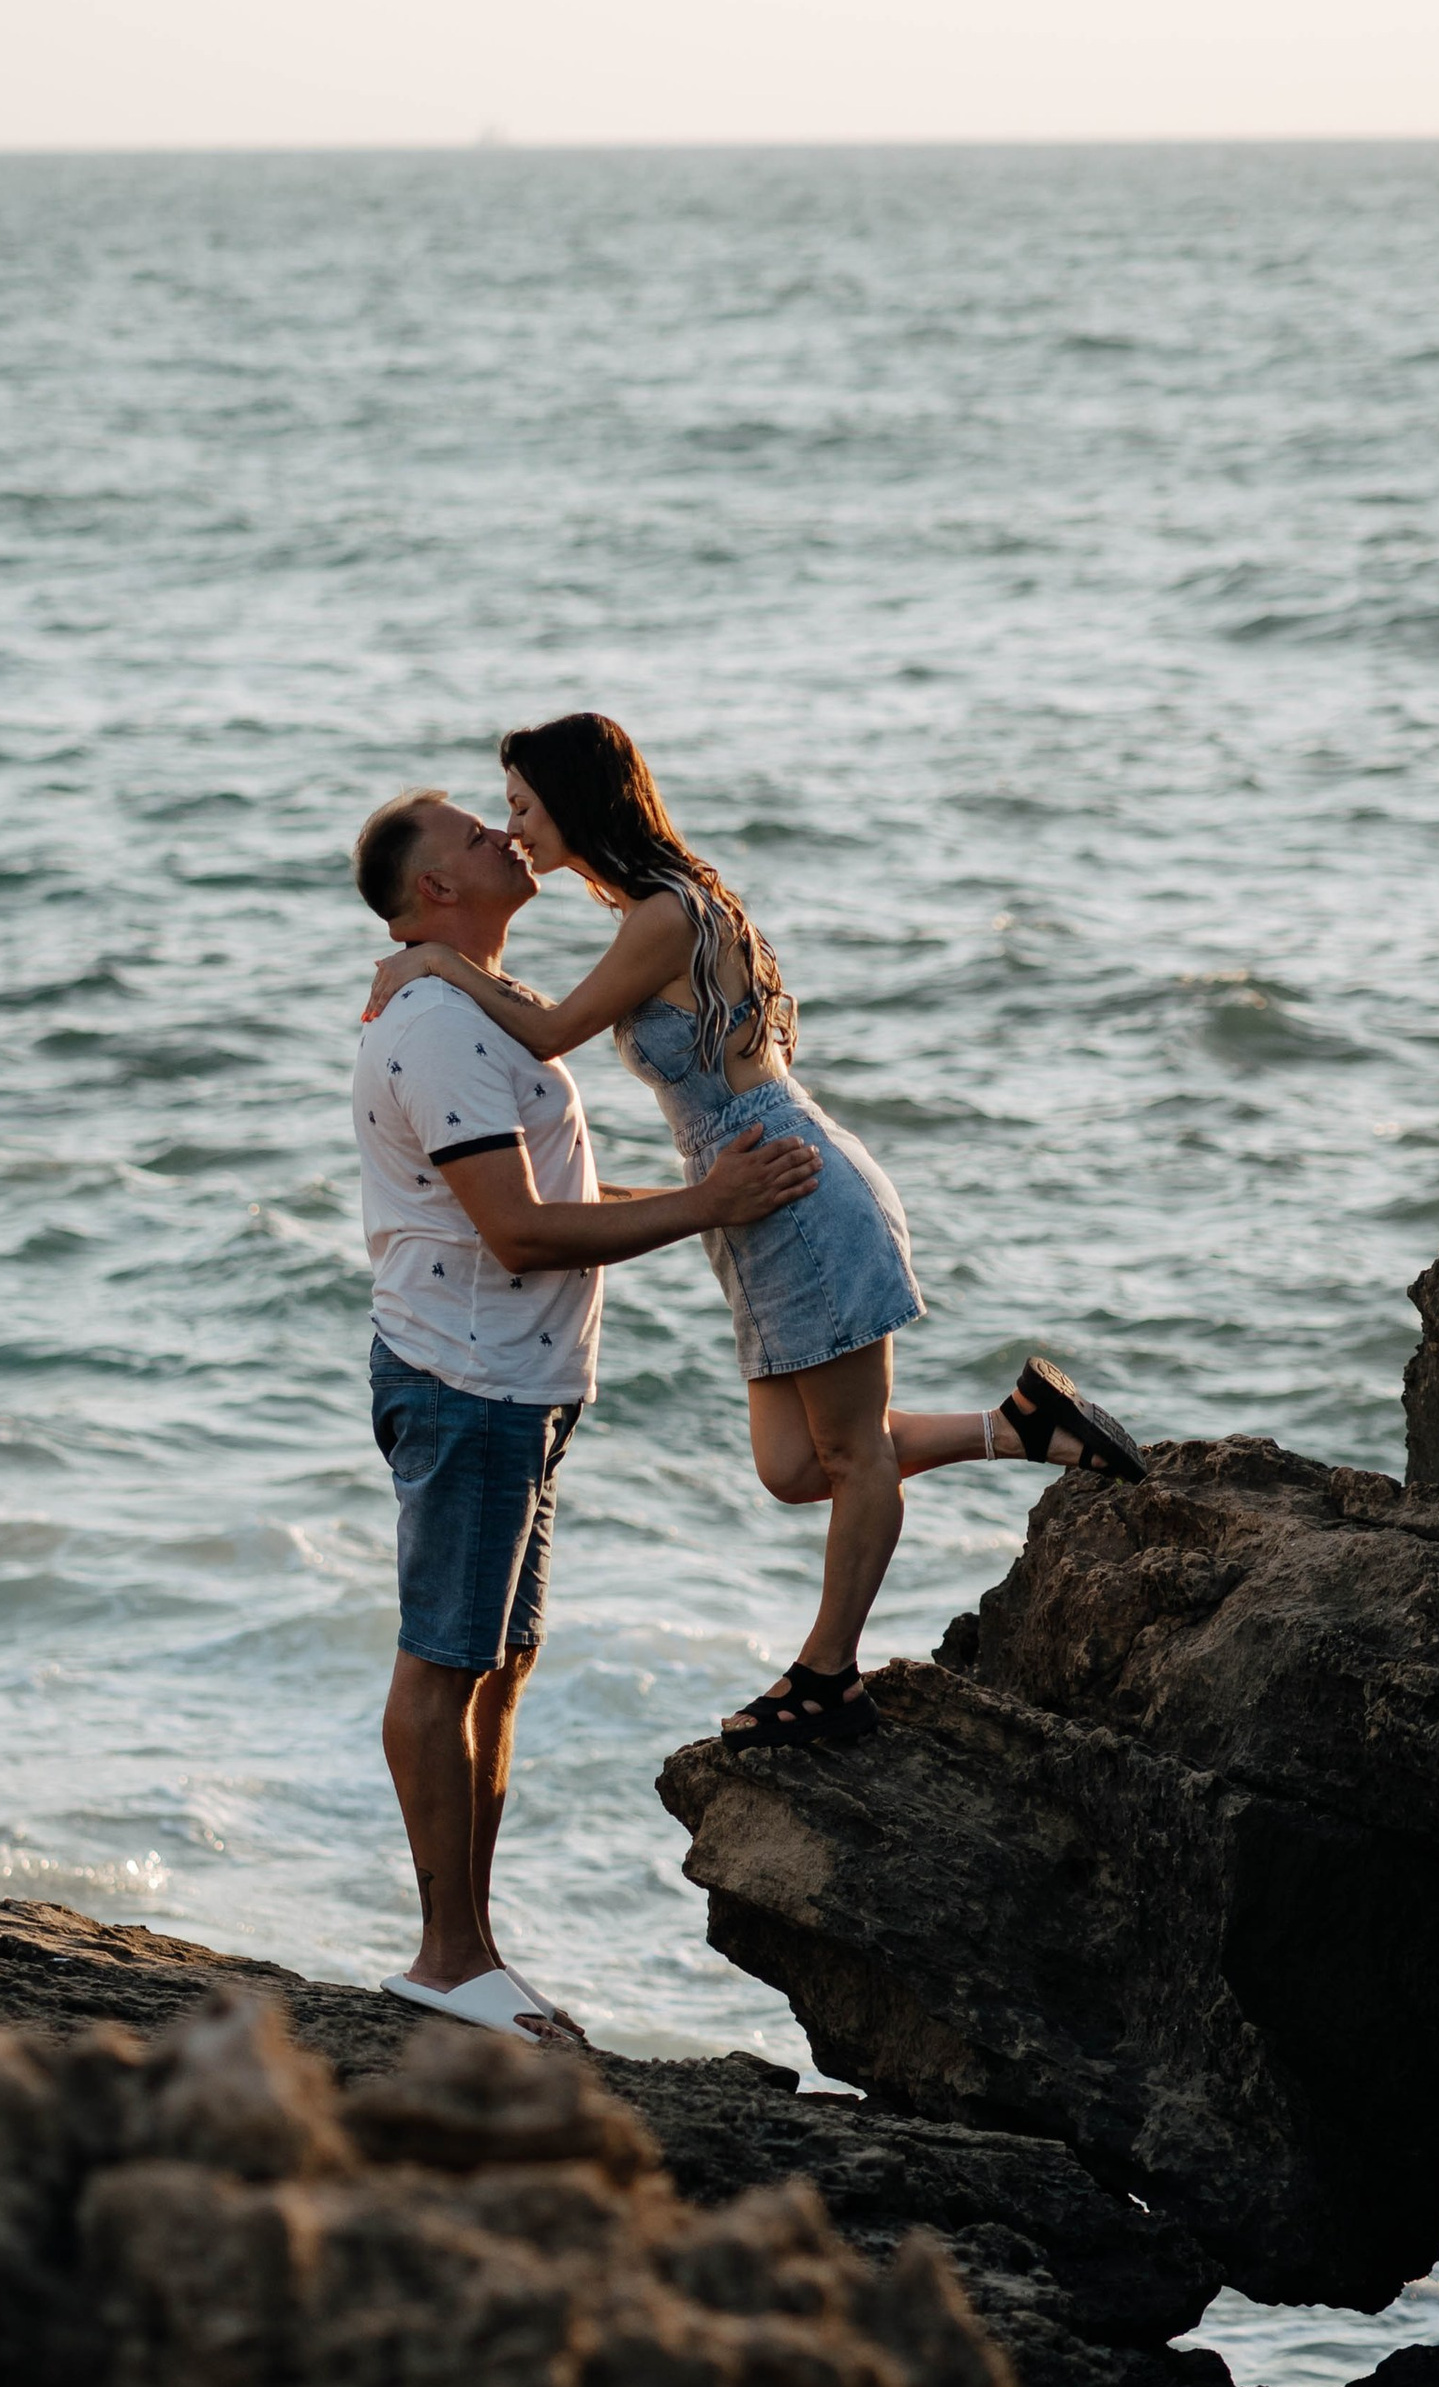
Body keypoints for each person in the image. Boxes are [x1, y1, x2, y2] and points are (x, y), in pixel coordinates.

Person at [365, 713, 1147, 1754]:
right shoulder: (652, 907)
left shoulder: (661, 911)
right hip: (748, 1196)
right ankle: (1020, 1426)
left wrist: (429, 966)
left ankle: (828, 1676)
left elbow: (550, 1032)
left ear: (575, 801)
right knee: (791, 1467)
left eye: (520, 806)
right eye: (498, 816)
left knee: (853, 1453)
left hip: (794, 1186)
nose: (513, 830)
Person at [351, 784, 821, 2045]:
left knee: (496, 1668)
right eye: (471, 834)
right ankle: (447, 1961)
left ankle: (473, 1950)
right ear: (434, 890)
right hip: (466, 1380)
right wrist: (705, 1206)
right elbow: (512, 1231)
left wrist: (706, 1193)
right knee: (444, 1662)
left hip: (521, 1383)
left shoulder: (472, 1013)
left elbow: (545, 1192)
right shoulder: (439, 1029)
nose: (503, 837)